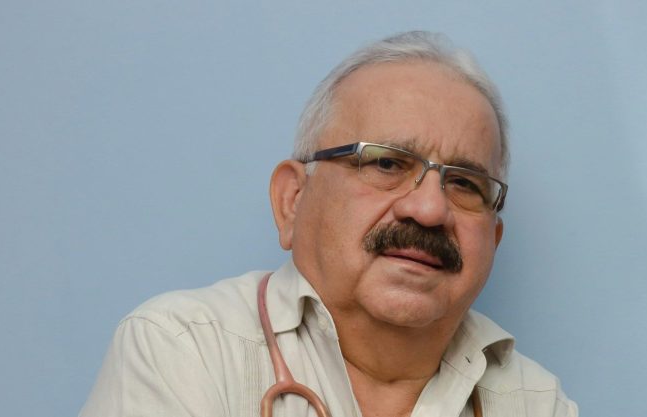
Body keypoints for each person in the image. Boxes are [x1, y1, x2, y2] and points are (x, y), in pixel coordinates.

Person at [80, 31, 578, 417]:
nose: (429, 210)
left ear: (492, 239)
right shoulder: (182, 348)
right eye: (386, 163)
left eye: (466, 184)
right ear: (293, 200)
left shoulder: (534, 400)